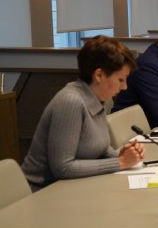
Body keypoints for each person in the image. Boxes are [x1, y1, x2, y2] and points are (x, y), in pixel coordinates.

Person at [22, 36, 145, 191]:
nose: (125, 87)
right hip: (44, 192)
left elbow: (99, 147)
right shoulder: (71, 101)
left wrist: (123, 155)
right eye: (121, 80)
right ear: (99, 75)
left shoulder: (97, 97)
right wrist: (120, 162)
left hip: (74, 187)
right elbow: (63, 168)